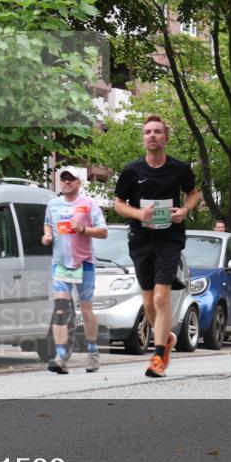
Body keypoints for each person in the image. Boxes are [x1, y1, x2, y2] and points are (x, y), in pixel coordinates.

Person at [114, 115, 200, 378]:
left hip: (169, 238)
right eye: (147, 132)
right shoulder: (132, 171)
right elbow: (118, 203)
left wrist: (184, 210)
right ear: (143, 138)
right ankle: (167, 338)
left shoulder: (179, 169)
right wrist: (140, 215)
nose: (152, 135)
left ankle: (159, 357)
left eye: (157, 132)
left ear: (165, 138)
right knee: (149, 301)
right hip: (141, 240)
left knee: (162, 297)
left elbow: (194, 193)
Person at [42, 168, 108, 374]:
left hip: (83, 263)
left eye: (71, 179)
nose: (67, 182)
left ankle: (92, 351)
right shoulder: (53, 204)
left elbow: (103, 231)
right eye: (64, 179)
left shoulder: (88, 204)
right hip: (61, 263)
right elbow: (47, 225)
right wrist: (47, 236)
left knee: (86, 309)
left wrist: (83, 230)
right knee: (61, 308)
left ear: (79, 183)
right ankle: (60, 356)